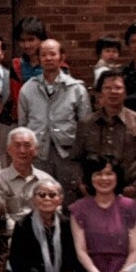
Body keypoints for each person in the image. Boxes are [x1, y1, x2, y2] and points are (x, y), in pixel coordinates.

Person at [17, 38, 91, 198]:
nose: (48, 58)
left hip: (67, 153)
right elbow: (22, 125)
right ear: (38, 59)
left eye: (52, 54)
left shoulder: (76, 89)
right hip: (38, 154)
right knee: (40, 196)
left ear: (62, 57)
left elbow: (85, 125)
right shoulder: (28, 88)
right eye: (43, 55)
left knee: (68, 198)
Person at [67, 155, 136, 272]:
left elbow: (135, 250)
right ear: (90, 178)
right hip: (93, 269)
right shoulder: (79, 208)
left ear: (117, 176)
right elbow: (81, 251)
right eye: (98, 174)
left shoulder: (130, 206)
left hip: (125, 268)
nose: (104, 178)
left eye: (109, 173)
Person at [8, 179, 84, 272]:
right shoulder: (23, 225)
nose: (47, 198)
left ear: (60, 199)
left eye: (52, 195)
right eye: (41, 195)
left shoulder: (68, 224)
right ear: (34, 199)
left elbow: (75, 257)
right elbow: (17, 261)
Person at [78, 71, 136, 196]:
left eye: (118, 88)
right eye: (107, 88)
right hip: (93, 194)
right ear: (99, 93)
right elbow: (75, 158)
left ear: (126, 92)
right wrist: (81, 184)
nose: (113, 92)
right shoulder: (86, 124)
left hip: (130, 194)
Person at [0, 126, 59, 221]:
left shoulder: (46, 180)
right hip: (9, 230)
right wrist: (20, 229)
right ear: (9, 150)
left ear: (35, 150)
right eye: (17, 145)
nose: (22, 151)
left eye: (27, 145)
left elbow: (54, 211)